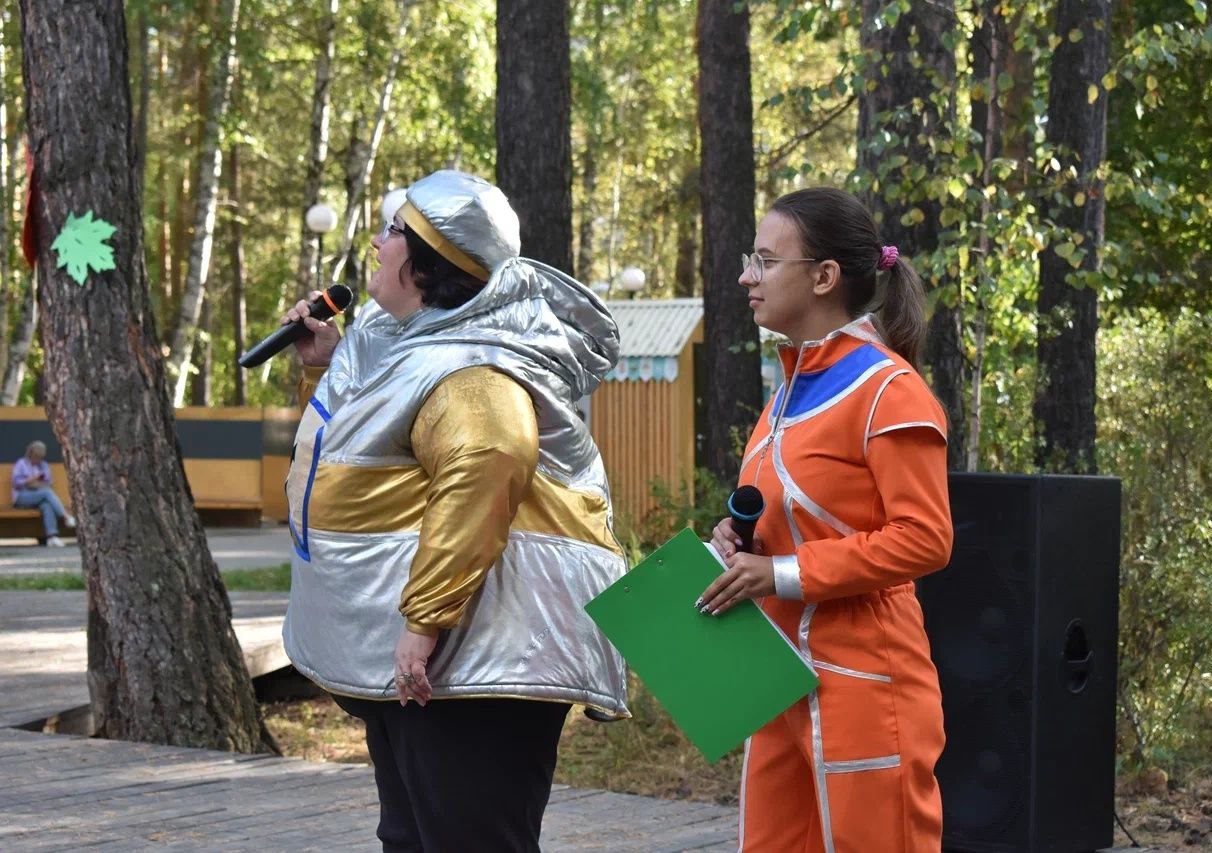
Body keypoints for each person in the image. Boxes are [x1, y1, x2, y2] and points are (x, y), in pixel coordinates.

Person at [280, 170, 628, 852]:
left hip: (478, 660)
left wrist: (424, 621)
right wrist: (327, 363)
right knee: (412, 836)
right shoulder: (419, 348)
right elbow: (367, 450)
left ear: (423, 262)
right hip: (441, 659)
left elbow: (491, 457)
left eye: (391, 232)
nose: (376, 244)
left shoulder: (471, 368)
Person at [700, 187, 953, 852]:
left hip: (868, 685)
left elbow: (926, 539)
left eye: (763, 260)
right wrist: (740, 545)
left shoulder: (890, 391)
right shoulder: (783, 394)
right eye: (749, 259)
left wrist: (780, 572)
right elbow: (791, 524)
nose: (745, 277)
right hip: (775, 679)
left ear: (824, 276)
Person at [11, 440, 76, 547]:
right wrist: (32, 480)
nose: (38, 460)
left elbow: (49, 483)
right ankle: (66, 517)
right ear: (30, 454)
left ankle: (52, 537)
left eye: (40, 457)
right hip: (22, 496)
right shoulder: (21, 464)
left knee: (47, 505)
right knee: (46, 493)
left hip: (39, 494)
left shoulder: (44, 465)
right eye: (36, 457)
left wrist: (37, 484)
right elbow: (16, 483)